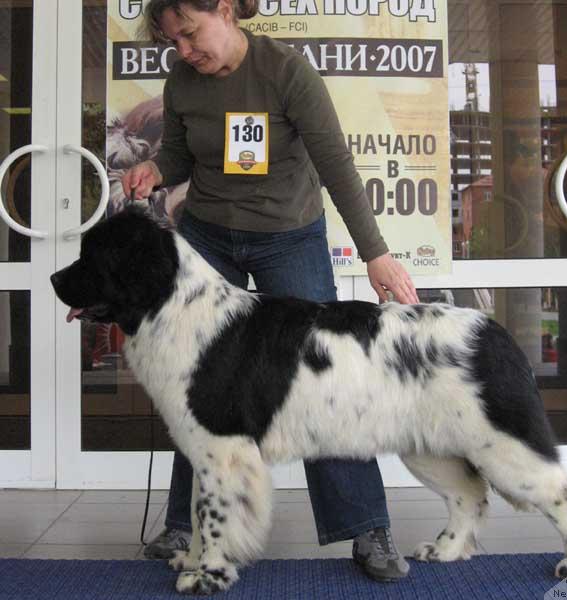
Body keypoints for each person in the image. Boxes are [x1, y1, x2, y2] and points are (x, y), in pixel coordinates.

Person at [122, 0, 419, 582]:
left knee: (324, 380)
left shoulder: (287, 72)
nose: (183, 51)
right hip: (208, 235)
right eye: (172, 42)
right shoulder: (182, 81)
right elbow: (181, 152)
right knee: (196, 384)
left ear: (226, 11)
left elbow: (336, 165)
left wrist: (376, 253)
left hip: (288, 236)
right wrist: (157, 168)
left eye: (190, 33)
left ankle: (366, 526)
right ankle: (185, 524)